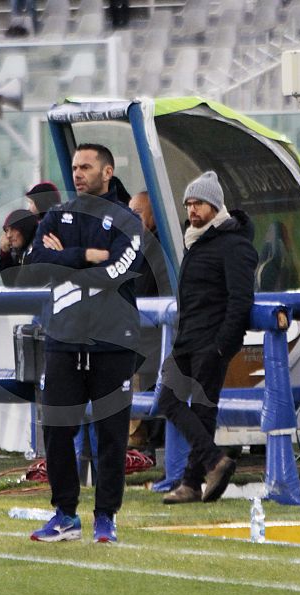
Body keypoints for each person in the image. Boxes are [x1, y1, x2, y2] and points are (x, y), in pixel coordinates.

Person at [24, 143, 143, 543]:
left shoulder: (127, 220)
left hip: (112, 342)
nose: (77, 173)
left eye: (86, 167)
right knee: (57, 428)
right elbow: (34, 262)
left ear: (107, 172)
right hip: (64, 338)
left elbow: (116, 272)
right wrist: (85, 255)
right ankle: (65, 514)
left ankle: (106, 517)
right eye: (74, 167)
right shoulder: (57, 215)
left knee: (111, 435)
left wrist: (68, 260)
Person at [158, 171, 258, 505]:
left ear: (215, 205)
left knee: (201, 410)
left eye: (198, 203)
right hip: (188, 340)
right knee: (168, 401)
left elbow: (240, 300)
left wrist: (221, 345)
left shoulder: (234, 244)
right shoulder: (196, 241)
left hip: (211, 342)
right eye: (188, 204)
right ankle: (212, 463)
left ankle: (191, 482)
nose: (192, 210)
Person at [127, 191, 171, 460]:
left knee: (155, 401)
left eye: (138, 214)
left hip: (154, 343)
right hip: (139, 342)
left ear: (154, 219)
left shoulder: (158, 251)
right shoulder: (132, 248)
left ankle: (153, 452)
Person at [0, 208, 38, 287]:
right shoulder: (19, 253)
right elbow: (10, 284)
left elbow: (20, 287)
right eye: (6, 230)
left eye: (13, 229)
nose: (8, 235)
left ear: (26, 229)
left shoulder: (38, 252)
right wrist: (5, 254)